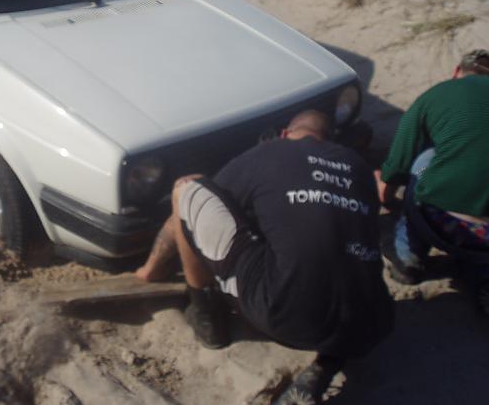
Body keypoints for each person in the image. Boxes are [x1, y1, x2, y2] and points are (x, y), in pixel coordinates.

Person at [135, 110, 394, 405]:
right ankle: (327, 363)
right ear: (330, 140)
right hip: (372, 322)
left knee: (187, 189)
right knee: (338, 257)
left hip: (287, 316)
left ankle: (206, 314)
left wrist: (150, 269)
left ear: (285, 133)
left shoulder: (271, 151)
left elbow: (203, 202)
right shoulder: (358, 167)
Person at [377, 49, 489, 314]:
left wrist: (387, 194)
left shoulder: (438, 94)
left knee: (425, 159)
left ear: (456, 73)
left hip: (441, 222)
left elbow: (398, 163)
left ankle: (408, 261)